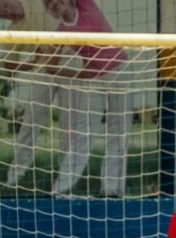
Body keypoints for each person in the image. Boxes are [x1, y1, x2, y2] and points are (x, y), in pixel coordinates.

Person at [41, 0, 130, 197]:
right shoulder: (61, 33)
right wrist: (80, 74)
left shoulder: (87, 6)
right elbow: (51, 66)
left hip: (119, 70)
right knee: (84, 131)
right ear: (49, 10)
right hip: (94, 77)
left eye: (59, 0)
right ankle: (61, 189)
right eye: (51, 4)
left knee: (120, 130)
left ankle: (112, 189)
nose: (57, 5)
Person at [0, 0, 61, 189]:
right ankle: (14, 176)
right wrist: (33, 61)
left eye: (6, 7)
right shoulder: (14, 31)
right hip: (44, 72)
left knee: (71, 125)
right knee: (30, 122)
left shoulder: (34, 3)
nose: (8, 13)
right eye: (3, 15)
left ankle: (65, 179)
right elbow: (9, 67)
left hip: (70, 60)